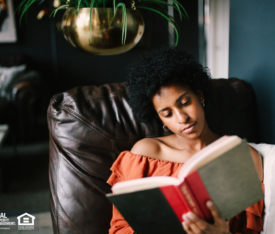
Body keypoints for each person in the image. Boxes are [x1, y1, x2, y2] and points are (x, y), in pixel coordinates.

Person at [106, 47, 264, 234]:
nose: (182, 118)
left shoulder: (243, 157)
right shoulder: (145, 153)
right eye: (167, 113)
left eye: (185, 103)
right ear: (160, 119)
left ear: (200, 96)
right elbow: (120, 228)